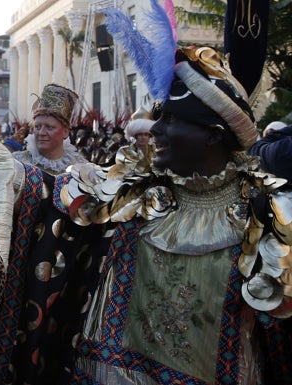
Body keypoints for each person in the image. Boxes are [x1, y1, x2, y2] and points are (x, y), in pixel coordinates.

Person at [54, 43, 292, 384]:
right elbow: (50, 198)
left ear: (213, 135)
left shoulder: (269, 212)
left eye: (172, 120)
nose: (157, 130)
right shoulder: (134, 191)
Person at [11, 84, 86, 175]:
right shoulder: (16, 164)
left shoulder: (81, 169)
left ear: (65, 132)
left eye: (49, 127)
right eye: (37, 127)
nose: (41, 133)